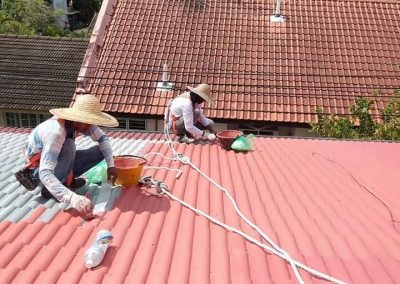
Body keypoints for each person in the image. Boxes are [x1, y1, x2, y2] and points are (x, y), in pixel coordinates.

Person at [16, 94, 119, 215]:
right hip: (39, 172)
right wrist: (72, 198)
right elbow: (45, 172)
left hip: (58, 163)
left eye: (92, 122)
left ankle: (65, 180)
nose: (90, 126)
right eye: (87, 122)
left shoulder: (82, 123)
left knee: (100, 150)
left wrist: (111, 165)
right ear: (77, 117)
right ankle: (50, 189)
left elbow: (103, 138)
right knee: (69, 146)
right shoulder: (56, 131)